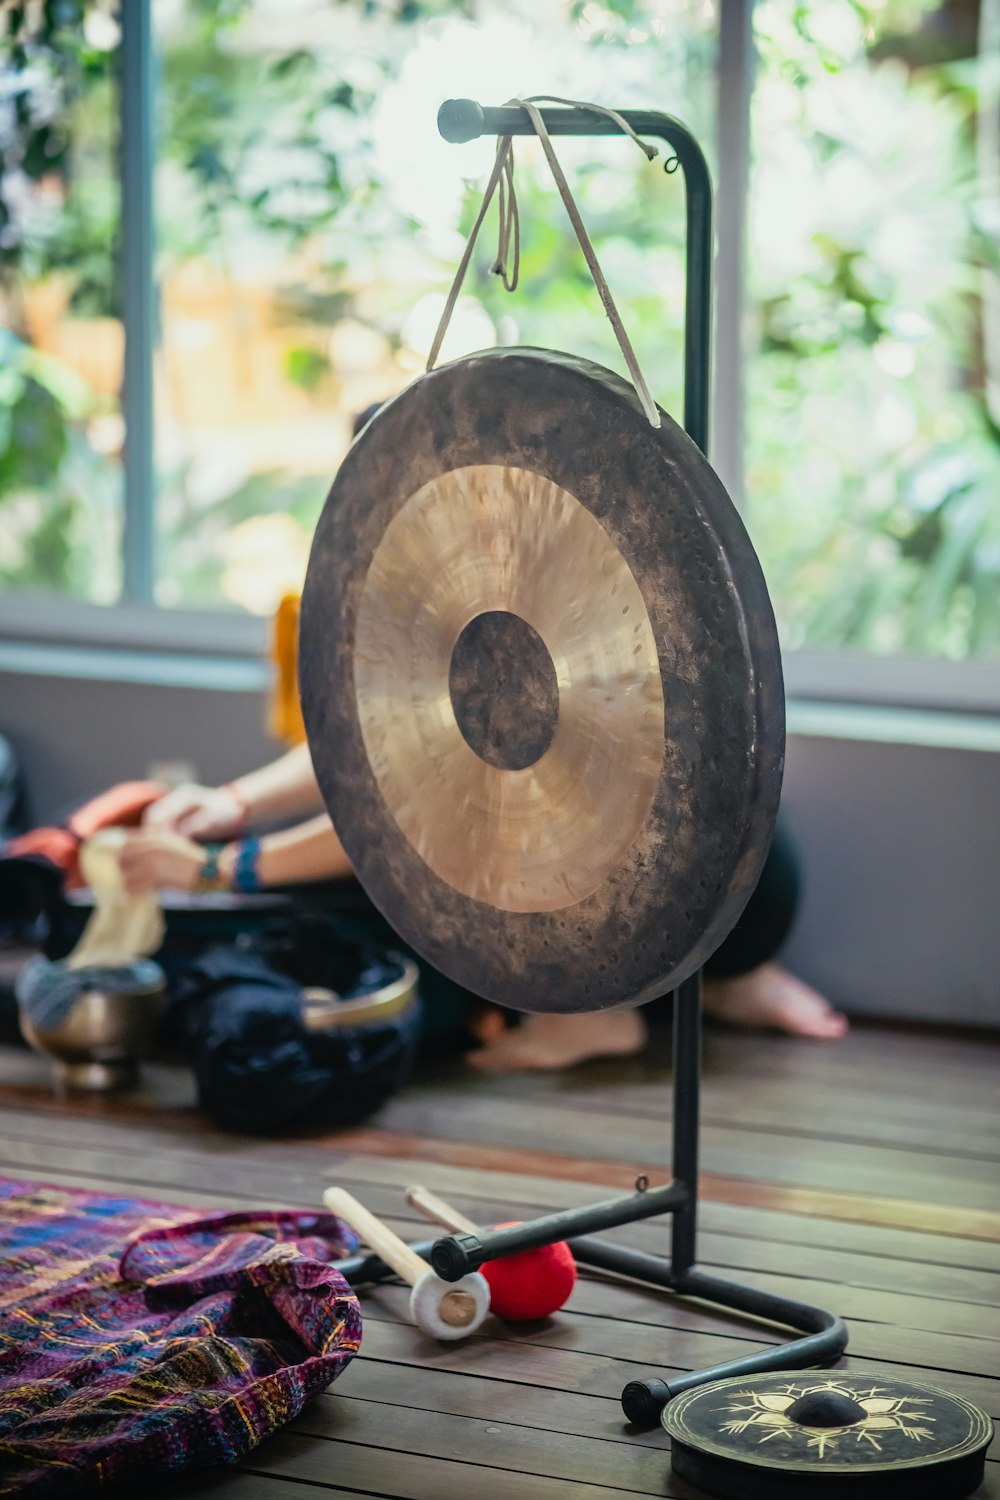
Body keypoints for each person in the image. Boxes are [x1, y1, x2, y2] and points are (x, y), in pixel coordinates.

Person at [119, 745, 847, 1068]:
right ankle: (730, 980)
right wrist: (234, 801)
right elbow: (365, 743)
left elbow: (409, 813)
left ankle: (590, 1017)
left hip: (702, 898)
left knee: (489, 822)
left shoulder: (495, 600)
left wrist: (221, 867)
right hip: (754, 885)